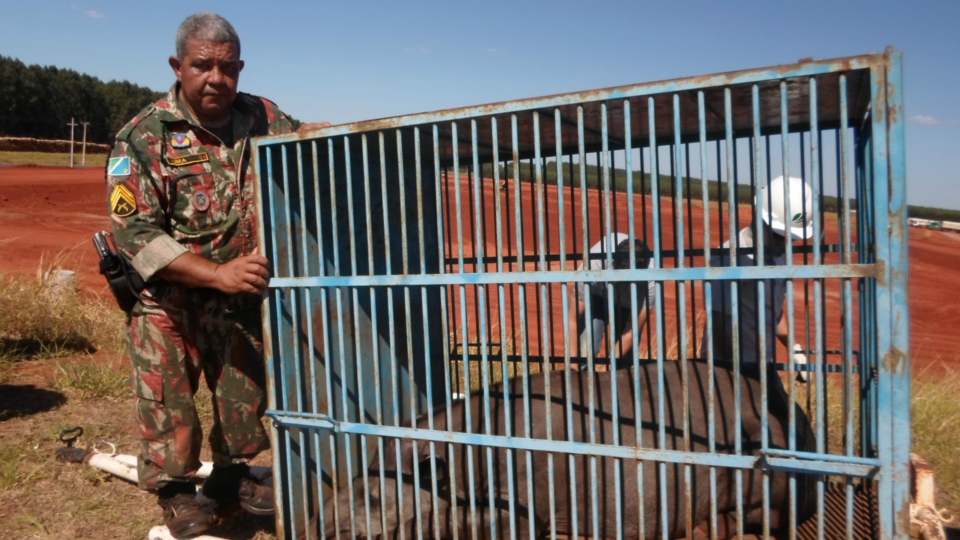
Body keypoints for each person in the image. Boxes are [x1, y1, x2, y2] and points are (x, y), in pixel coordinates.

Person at [105, 13, 328, 538]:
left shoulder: (262, 115)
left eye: (227, 68)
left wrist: (321, 136)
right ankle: (178, 493)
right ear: (177, 67)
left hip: (238, 295)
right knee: (170, 403)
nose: (216, 79)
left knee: (243, 397)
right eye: (202, 65)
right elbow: (134, 233)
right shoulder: (143, 137)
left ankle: (233, 478)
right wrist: (216, 274)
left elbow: (302, 147)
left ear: (240, 68)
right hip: (170, 301)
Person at [700, 175, 811, 387]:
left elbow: (773, 310)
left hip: (761, 368)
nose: (786, 243)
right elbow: (720, 332)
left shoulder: (779, 255)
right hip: (728, 375)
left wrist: (794, 349)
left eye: (792, 238)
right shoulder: (728, 259)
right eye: (781, 236)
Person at [568, 232, 656, 367]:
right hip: (597, 296)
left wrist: (607, 371)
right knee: (584, 353)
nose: (626, 286)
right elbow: (572, 318)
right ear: (613, 263)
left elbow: (633, 330)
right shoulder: (594, 264)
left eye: (631, 281)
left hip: (629, 305)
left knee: (622, 365)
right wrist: (573, 364)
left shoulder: (652, 278)